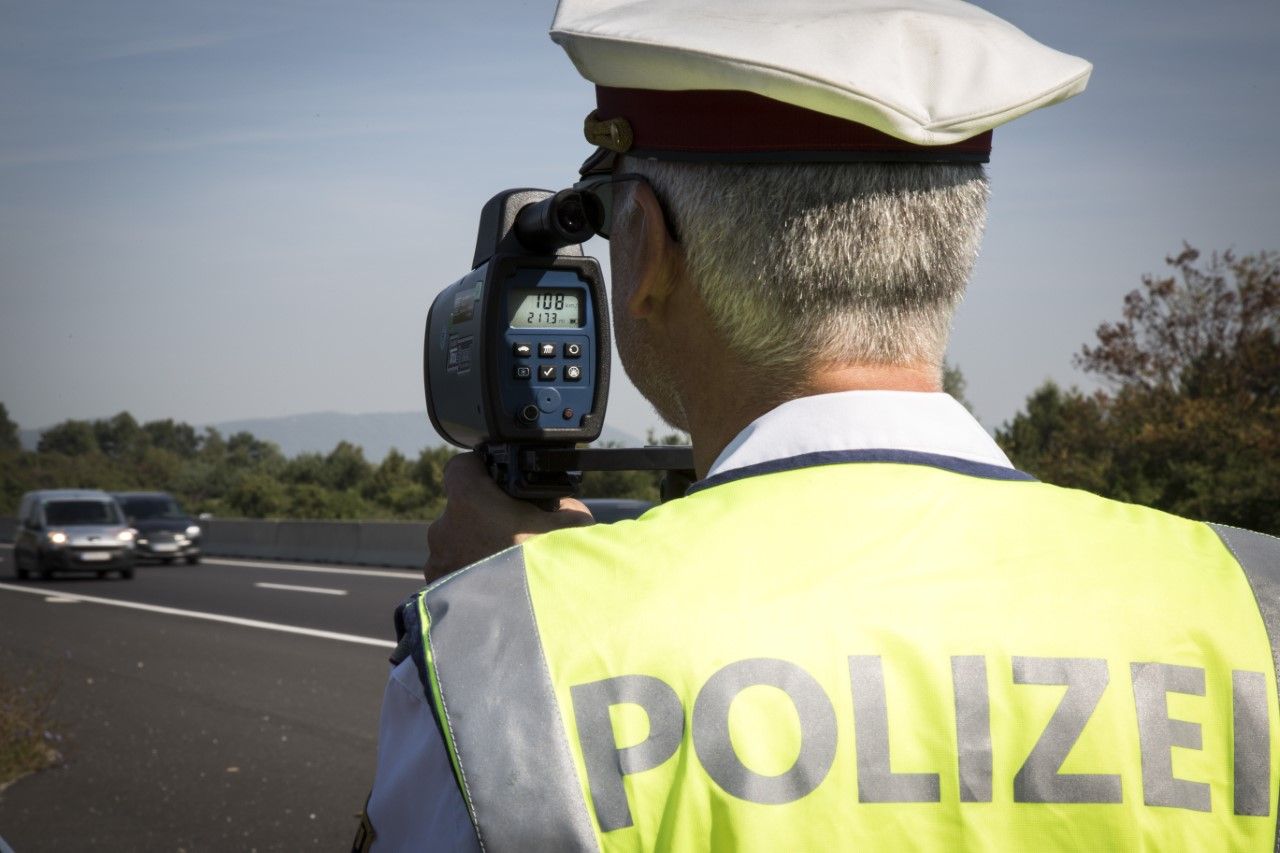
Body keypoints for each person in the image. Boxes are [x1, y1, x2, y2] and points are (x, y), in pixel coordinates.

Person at [357, 1, 1280, 850]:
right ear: (955, 240)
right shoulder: (1252, 608)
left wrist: (496, 611)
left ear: (643, 243)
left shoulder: (508, 651)